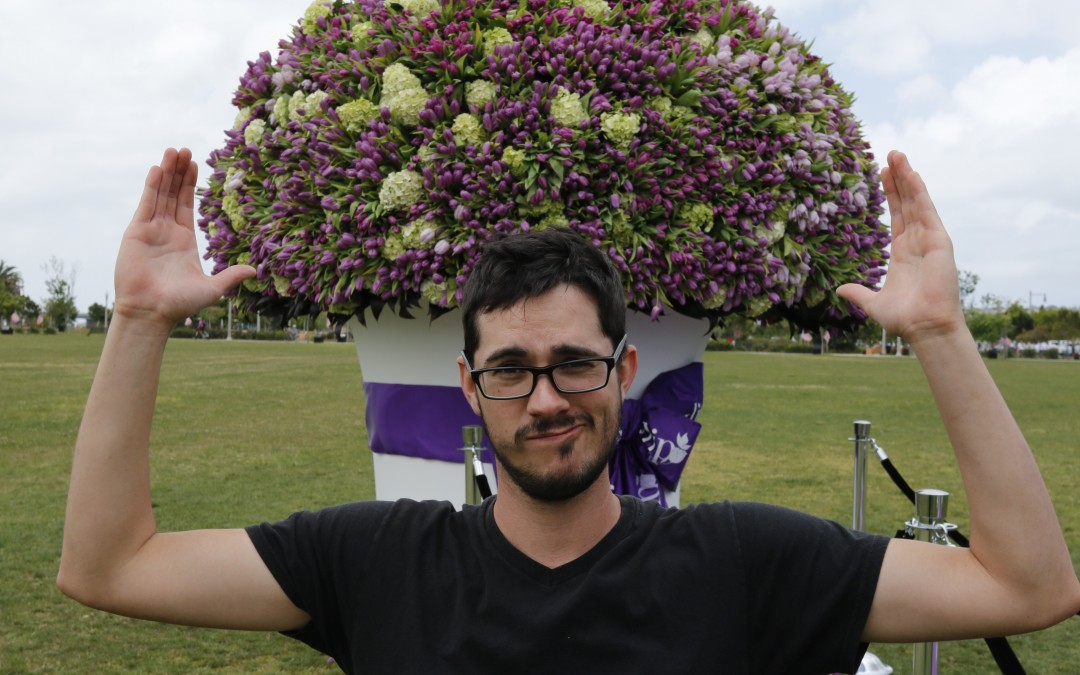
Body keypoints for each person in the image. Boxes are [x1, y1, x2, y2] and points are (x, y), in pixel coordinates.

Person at [57, 147, 1080, 674]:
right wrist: (140, 317)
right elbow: (107, 567)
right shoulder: (376, 564)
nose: (545, 400)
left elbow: (1028, 587)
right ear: (470, 387)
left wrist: (942, 335)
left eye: (573, 366)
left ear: (623, 371)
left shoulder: (742, 565)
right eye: (510, 369)